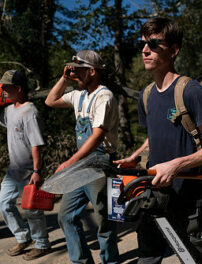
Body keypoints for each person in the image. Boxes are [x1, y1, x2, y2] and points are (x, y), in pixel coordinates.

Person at [114, 17, 202, 264]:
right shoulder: (145, 95)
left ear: (174, 50)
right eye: (143, 44)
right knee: (148, 257)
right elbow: (155, 136)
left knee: (191, 259)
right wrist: (136, 156)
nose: (145, 50)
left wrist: (175, 165)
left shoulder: (191, 92)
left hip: (186, 197)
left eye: (154, 44)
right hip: (153, 194)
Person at [45, 50, 120, 264]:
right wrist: (64, 78)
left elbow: (97, 136)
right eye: (73, 70)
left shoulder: (104, 96)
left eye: (79, 70)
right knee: (66, 216)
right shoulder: (79, 96)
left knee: (106, 219)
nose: (74, 73)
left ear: (93, 71)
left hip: (101, 163)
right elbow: (50, 101)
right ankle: (81, 261)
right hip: (82, 163)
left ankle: (110, 261)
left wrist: (69, 162)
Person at [0, 70, 52, 260]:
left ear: (19, 88)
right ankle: (23, 237)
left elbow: (36, 144)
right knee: (4, 204)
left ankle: (42, 244)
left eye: (6, 87)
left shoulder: (30, 112)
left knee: (32, 210)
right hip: (14, 170)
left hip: (30, 170)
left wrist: (37, 171)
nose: (3, 90)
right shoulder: (9, 109)